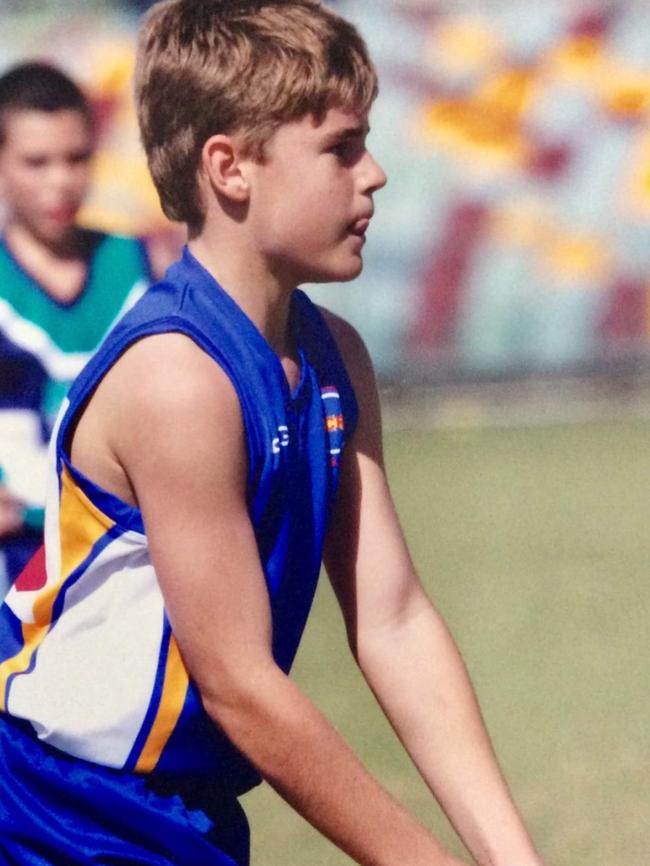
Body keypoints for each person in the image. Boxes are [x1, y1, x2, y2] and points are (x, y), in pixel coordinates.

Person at [0, 3, 547, 865]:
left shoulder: (337, 356)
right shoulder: (180, 380)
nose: (374, 174)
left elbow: (393, 618)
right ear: (230, 168)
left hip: (188, 814)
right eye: (340, 147)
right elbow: (242, 689)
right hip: (57, 816)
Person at [0, 61, 153, 592]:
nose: (61, 180)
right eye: (36, 162)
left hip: (125, 554)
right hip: (15, 561)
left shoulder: (140, 265)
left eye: (76, 158)